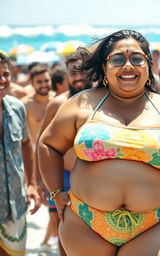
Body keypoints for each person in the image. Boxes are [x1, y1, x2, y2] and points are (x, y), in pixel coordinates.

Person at [38, 29, 160, 256]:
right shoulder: (81, 104)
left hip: (159, 222)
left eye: (137, 58)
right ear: (105, 67)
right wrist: (56, 191)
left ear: (148, 66)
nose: (128, 65)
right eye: (118, 59)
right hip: (86, 223)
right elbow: (49, 145)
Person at [36, 51, 93, 256]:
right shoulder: (57, 104)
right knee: (63, 227)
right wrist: (38, 181)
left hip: (91, 177)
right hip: (63, 176)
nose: (77, 77)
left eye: (81, 72)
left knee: (92, 229)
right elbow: (42, 143)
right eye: (72, 73)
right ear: (66, 75)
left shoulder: (101, 101)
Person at [0, 52, 40, 255]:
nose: (2, 80)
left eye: (5, 74)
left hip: (16, 201)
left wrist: (31, 184)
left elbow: (26, 144)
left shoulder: (17, 107)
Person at [21, 64, 54, 145]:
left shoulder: (58, 100)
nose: (43, 85)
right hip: (36, 151)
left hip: (58, 151)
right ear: (32, 83)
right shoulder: (25, 104)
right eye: (39, 82)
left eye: (46, 80)